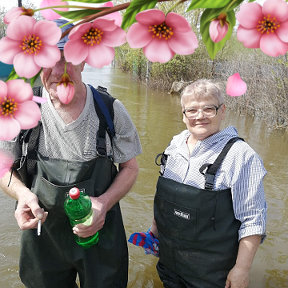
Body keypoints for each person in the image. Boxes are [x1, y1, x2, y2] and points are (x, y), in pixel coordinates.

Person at [0, 19, 141, 288]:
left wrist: (104, 204)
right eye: (48, 60)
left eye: (66, 59)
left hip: (100, 234)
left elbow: (130, 168)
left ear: (83, 61)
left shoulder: (110, 110)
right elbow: (4, 170)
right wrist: (22, 195)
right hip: (43, 236)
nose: (57, 71)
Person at [130, 79, 267, 288]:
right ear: (183, 115)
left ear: (222, 110)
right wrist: (153, 233)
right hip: (170, 264)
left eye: (208, 109)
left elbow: (253, 220)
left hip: (211, 275)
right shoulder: (175, 144)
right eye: (191, 110)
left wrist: (241, 269)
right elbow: (166, 199)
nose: (199, 116)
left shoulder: (241, 156)